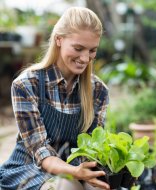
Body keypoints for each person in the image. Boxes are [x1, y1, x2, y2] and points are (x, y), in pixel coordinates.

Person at [0, 7, 110, 190]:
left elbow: (93, 146)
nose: (85, 58)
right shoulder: (27, 85)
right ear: (59, 39)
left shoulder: (98, 91)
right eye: (78, 48)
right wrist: (75, 173)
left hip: (77, 167)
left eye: (92, 50)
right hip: (30, 168)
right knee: (67, 186)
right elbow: (40, 151)